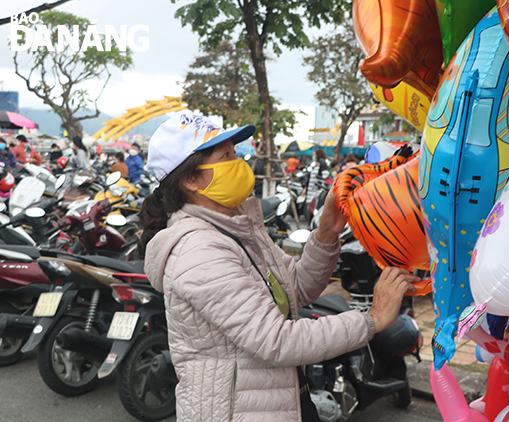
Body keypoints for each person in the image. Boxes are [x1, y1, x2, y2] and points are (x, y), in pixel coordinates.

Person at [139, 113, 418, 422]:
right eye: (227, 156)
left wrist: (326, 234)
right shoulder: (199, 251)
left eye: (236, 152)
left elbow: (296, 289)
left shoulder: (239, 229)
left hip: (281, 400)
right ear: (191, 179)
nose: (241, 163)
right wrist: (373, 319)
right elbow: (277, 340)